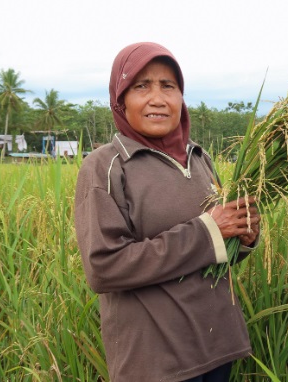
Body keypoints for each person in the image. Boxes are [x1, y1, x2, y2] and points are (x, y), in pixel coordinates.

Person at [74, 42, 260, 382]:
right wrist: (208, 232)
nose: (157, 98)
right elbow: (104, 268)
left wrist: (241, 236)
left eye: (168, 86)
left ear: (181, 97)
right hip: (157, 360)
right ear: (121, 99)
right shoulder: (105, 166)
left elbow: (213, 254)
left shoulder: (200, 158)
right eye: (141, 86)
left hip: (218, 345)